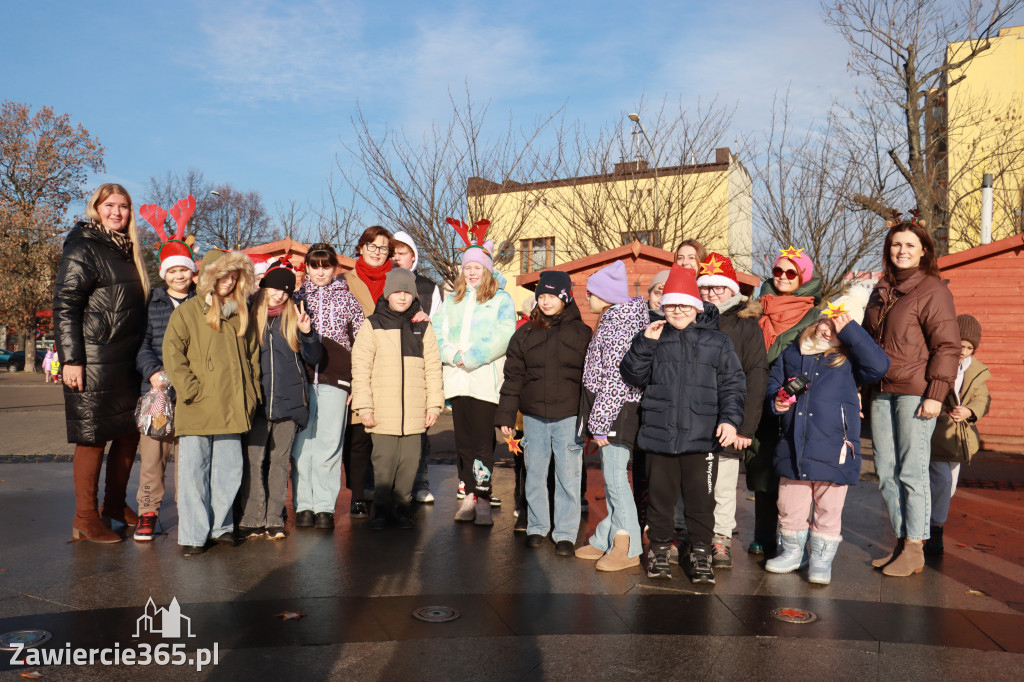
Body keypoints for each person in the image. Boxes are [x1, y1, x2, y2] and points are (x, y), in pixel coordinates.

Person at [621, 265, 745, 583]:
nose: (677, 310)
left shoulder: (718, 343)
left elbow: (733, 384)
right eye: (672, 304)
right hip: (659, 435)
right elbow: (632, 376)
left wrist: (730, 420)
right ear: (664, 306)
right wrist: (644, 345)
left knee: (701, 503)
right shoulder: (652, 337)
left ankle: (701, 553)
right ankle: (660, 551)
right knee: (660, 502)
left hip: (702, 438)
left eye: (684, 304)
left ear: (696, 306)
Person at [764, 286, 889, 584]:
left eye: (837, 329)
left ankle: (821, 560)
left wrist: (852, 332)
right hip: (794, 446)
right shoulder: (793, 353)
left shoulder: (849, 361)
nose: (827, 331)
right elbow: (772, 385)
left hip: (835, 449)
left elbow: (880, 366)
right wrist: (777, 401)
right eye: (826, 322)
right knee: (789, 506)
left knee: (828, 509)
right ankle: (793, 552)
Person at [53, 183, 149, 543]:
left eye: (123, 206)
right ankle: (85, 516)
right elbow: (66, 306)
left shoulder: (128, 251)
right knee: (92, 437)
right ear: (96, 207)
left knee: (128, 433)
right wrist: (71, 359)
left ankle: (113, 505)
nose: (117, 212)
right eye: (110, 205)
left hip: (126, 360)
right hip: (93, 360)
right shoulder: (84, 247)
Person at [863, 218, 959, 577]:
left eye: (909, 246)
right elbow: (867, 342)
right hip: (881, 391)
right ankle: (902, 542)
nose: (901, 251)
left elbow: (947, 346)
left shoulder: (933, 290)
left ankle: (916, 546)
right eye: (895, 245)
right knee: (886, 473)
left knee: (911, 472)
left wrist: (937, 393)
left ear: (923, 252)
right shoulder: (881, 290)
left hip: (915, 394)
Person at [163, 249, 260, 556]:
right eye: (223, 275)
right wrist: (190, 389)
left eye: (234, 276)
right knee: (194, 472)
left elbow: (253, 357)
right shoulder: (188, 312)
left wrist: (252, 392)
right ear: (209, 276)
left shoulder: (240, 313)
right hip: (199, 405)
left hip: (233, 405)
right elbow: (172, 353)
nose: (228, 282)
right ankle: (193, 534)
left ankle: (221, 527)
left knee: (229, 470)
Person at [496, 270, 591, 555]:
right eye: (542, 296)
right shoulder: (524, 333)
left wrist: (591, 418)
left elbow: (591, 378)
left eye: (552, 296)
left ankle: (564, 533)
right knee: (534, 473)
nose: (547, 302)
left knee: (567, 476)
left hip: (568, 416)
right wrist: (505, 415)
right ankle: (537, 526)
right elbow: (513, 376)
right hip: (534, 416)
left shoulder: (582, 333)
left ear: (565, 297)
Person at [435, 220, 516, 525]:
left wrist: (471, 357)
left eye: (477, 267)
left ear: (487, 270)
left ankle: (483, 495)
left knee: (483, 441)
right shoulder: (452, 300)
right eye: (467, 267)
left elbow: (504, 334)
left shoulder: (501, 299)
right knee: (464, 441)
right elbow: (438, 331)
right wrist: (451, 354)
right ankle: (468, 493)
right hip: (457, 380)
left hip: (483, 380)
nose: (471, 272)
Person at [351, 268, 443, 530]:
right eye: (396, 292)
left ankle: (402, 508)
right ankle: (380, 510)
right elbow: (361, 368)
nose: (401, 297)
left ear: (414, 294)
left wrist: (434, 404)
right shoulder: (372, 324)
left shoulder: (423, 326)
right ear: (387, 294)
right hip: (382, 411)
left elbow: (433, 368)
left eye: (407, 292)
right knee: (383, 464)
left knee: (410, 463)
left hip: (415, 412)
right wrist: (364, 407)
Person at [746, 246, 823, 557]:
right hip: (759, 395)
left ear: (803, 276)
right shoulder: (756, 310)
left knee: (794, 469)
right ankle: (763, 534)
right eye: (777, 271)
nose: (782, 278)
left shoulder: (814, 315)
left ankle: (793, 538)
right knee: (761, 464)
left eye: (791, 272)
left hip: (797, 397)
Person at [573, 261, 649, 571]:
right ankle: (605, 538)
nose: (587, 299)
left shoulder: (619, 324)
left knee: (616, 480)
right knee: (611, 478)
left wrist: (601, 422)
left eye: (590, 293)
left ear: (605, 296)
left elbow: (617, 380)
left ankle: (628, 545)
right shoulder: (613, 319)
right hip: (610, 409)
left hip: (616, 412)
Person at [696, 253, 769, 568]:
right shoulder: (693, 318)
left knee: (724, 484)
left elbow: (756, 375)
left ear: (731, 288)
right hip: (695, 417)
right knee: (695, 482)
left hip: (730, 416)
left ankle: (720, 539)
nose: (712, 293)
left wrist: (746, 427)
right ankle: (693, 536)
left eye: (718, 287)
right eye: (706, 287)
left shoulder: (745, 325)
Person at [239, 265, 321, 540]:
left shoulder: (294, 317)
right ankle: (252, 517)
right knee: (254, 460)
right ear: (264, 287)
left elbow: (313, 357)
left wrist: (307, 333)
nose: (279, 295)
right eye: (274, 288)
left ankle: (274, 518)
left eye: (285, 291)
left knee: (278, 462)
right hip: (258, 402)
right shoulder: (249, 315)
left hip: (289, 401)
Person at [291, 243, 365, 529]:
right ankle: (303, 505)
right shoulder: (297, 298)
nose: (320, 271)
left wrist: (357, 381)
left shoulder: (348, 300)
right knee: (302, 445)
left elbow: (362, 343)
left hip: (336, 381)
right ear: (307, 268)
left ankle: (324, 506)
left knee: (329, 444)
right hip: (302, 380)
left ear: (335, 268)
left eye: (326, 266)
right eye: (314, 265)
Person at [133, 238, 197, 541]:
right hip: (157, 392)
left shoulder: (201, 303)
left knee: (189, 459)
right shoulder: (152, 303)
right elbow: (140, 343)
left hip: (191, 395)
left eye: (184, 269)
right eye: (173, 271)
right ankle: (147, 512)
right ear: (164, 273)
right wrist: (152, 371)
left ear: (193, 272)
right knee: (152, 457)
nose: (179, 275)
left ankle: (188, 511)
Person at [926, 314, 992, 556]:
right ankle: (935, 530)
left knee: (948, 486)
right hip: (936, 432)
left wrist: (970, 410)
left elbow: (982, 397)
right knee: (942, 481)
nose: (963, 350)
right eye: (960, 344)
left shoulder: (975, 370)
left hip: (960, 439)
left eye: (969, 347)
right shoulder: (937, 361)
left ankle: (929, 520)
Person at [342, 226, 394, 516]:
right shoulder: (345, 281)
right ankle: (358, 494)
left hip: (388, 366)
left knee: (386, 433)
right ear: (360, 248)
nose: (376, 252)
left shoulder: (398, 280)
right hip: (356, 363)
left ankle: (387, 490)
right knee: (359, 433)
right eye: (371, 246)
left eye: (383, 247)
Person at [392, 231, 443, 504]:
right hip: (389, 366)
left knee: (419, 427)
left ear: (414, 255)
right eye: (394, 252)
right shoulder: (384, 282)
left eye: (403, 252)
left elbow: (438, 324)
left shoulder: (428, 287)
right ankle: (389, 483)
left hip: (419, 365)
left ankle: (421, 481)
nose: (397, 257)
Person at [632, 269, 671, 533]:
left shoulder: (679, 326)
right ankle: (640, 516)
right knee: (640, 465)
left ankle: (662, 523)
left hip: (666, 408)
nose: (661, 299)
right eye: (658, 292)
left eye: (667, 293)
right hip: (637, 405)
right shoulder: (637, 324)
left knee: (663, 470)